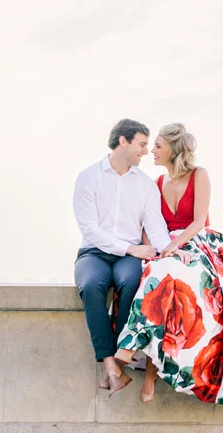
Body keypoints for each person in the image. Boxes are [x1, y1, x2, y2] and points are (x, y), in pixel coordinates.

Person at [112, 122, 223, 406]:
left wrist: (174, 246)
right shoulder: (156, 184)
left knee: (174, 278)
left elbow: (198, 221)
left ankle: (142, 364)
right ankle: (147, 370)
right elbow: (150, 223)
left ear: (173, 148)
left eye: (157, 146)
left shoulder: (199, 175)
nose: (152, 152)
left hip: (196, 241)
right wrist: (153, 251)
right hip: (166, 246)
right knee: (157, 275)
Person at [72, 118, 172, 395]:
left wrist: (171, 251)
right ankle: (110, 367)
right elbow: (89, 229)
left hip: (129, 256)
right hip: (94, 252)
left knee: (132, 283)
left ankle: (119, 362)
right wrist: (129, 249)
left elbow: (155, 227)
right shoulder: (88, 177)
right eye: (141, 144)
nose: (145, 151)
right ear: (123, 141)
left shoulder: (145, 185)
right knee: (91, 286)